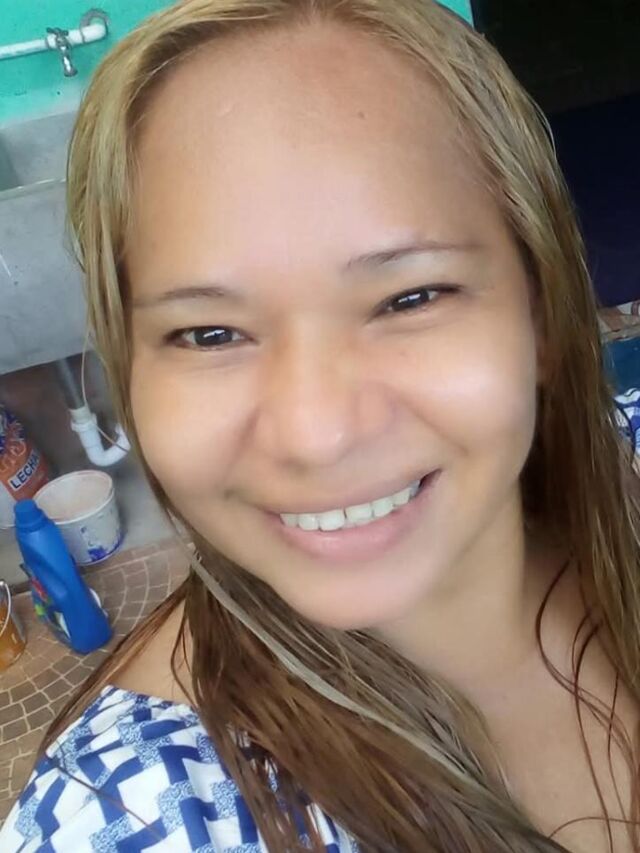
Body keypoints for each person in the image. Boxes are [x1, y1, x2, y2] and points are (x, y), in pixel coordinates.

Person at [2, 1, 639, 850]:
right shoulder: (135, 815)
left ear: (544, 314)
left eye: (410, 297)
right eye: (209, 334)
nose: (317, 435)